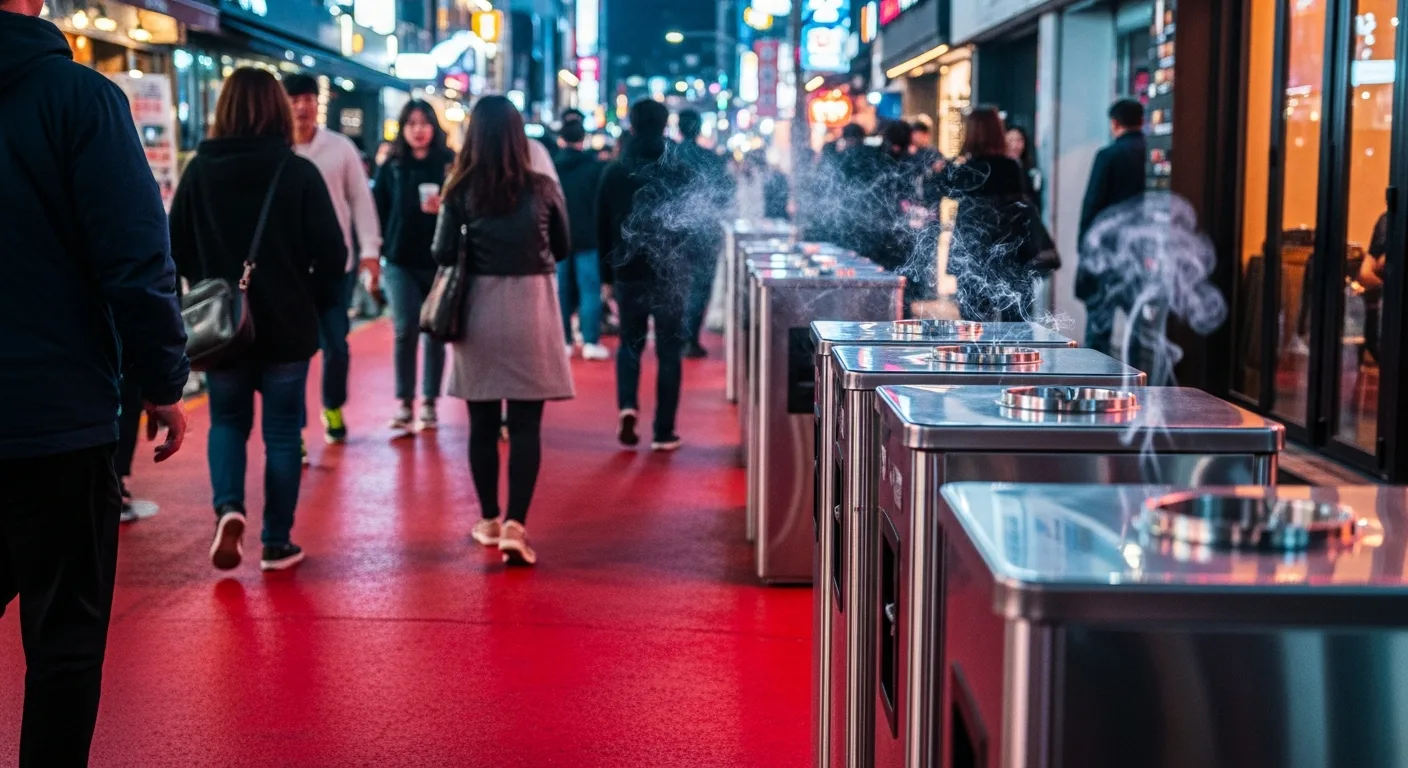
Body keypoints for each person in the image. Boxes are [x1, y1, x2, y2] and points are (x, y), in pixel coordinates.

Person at [0, 2, 189, 763]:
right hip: (59, 413)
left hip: (55, 407)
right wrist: (162, 378)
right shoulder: (79, 100)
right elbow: (135, 259)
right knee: (65, 634)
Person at [169, 68, 347, 572]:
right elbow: (333, 254)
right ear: (277, 108)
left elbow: (173, 247)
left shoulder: (199, 171)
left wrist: (206, 281)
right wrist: (314, 297)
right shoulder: (297, 172)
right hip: (287, 325)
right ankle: (276, 541)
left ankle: (229, 509)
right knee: (283, 432)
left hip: (220, 328)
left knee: (226, 420)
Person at [432, 96, 574, 566]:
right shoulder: (543, 186)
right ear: (518, 136)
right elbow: (563, 246)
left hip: (477, 309)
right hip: (533, 307)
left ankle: (489, 518)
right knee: (528, 424)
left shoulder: (459, 190)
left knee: (483, 424)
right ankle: (516, 523)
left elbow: (443, 253)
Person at [284, 74, 382, 446]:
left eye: (308, 99)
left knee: (336, 346)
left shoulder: (340, 148)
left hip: (333, 268)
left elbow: (361, 201)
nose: (302, 106)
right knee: (292, 355)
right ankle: (294, 430)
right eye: (294, 99)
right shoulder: (276, 147)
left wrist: (369, 252)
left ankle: (333, 405)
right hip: (288, 270)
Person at [598, 99, 693, 451]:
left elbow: (602, 227)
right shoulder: (679, 169)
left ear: (632, 124)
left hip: (627, 270)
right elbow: (692, 223)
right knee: (669, 350)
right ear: (665, 124)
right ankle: (664, 431)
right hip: (670, 271)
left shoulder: (614, 170)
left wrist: (606, 276)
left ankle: (627, 406)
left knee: (630, 343)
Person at [373, 100, 455, 430]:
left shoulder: (449, 165)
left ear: (434, 127)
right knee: (405, 328)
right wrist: (373, 258)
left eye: (423, 123)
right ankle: (406, 402)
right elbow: (377, 209)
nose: (418, 130)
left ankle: (431, 402)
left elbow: (464, 209)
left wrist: (444, 209)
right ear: (402, 129)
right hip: (399, 260)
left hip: (438, 260)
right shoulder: (392, 165)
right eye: (411, 124)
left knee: (434, 331)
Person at [938, 106, 1043, 322]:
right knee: (1014, 324)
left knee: (975, 323)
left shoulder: (967, 168)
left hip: (973, 254)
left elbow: (937, 188)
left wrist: (950, 162)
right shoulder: (1011, 167)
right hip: (1009, 252)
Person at [1078, 98, 1148, 353]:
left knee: (1099, 324)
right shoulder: (1152, 154)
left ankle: (1099, 381)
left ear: (1115, 124)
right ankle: (1140, 380)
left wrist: (1084, 248)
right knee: (1138, 323)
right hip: (1141, 251)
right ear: (1142, 121)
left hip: (1106, 251)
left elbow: (1092, 204)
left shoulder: (1109, 155)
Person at [676, 109, 732, 359]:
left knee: (674, 284)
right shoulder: (711, 159)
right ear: (698, 129)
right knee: (700, 284)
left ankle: (674, 336)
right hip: (705, 230)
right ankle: (690, 338)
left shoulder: (669, 157)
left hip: (673, 231)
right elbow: (725, 193)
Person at [554, 119, 611, 360]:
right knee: (589, 290)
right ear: (582, 140)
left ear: (561, 140)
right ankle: (590, 341)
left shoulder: (552, 167)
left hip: (558, 236)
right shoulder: (594, 167)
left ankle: (563, 340)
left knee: (561, 291)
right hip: (588, 236)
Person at [1005, 125, 1043, 212]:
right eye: (1011, 140)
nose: (1014, 146)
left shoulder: (1029, 169)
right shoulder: (999, 169)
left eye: (1019, 140)